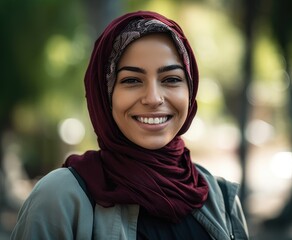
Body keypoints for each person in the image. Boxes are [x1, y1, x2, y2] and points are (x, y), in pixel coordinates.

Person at [11, 10, 249, 240]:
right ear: (104, 96)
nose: (154, 98)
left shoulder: (220, 199)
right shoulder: (60, 199)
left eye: (172, 79)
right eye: (132, 80)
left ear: (190, 90)